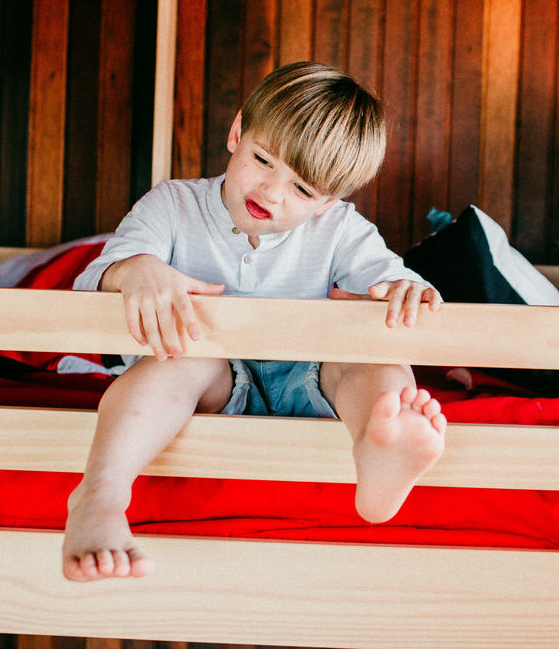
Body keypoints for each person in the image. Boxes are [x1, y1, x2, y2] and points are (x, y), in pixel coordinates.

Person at [62, 62, 445, 582]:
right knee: (176, 360)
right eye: (263, 160)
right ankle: (101, 495)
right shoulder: (173, 205)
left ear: (328, 202)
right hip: (212, 380)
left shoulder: (341, 229)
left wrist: (407, 290)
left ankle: (380, 446)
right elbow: (90, 285)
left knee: (372, 351)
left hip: (310, 382)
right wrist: (136, 271)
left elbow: (391, 278)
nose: (272, 191)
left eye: (303, 190)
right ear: (237, 131)